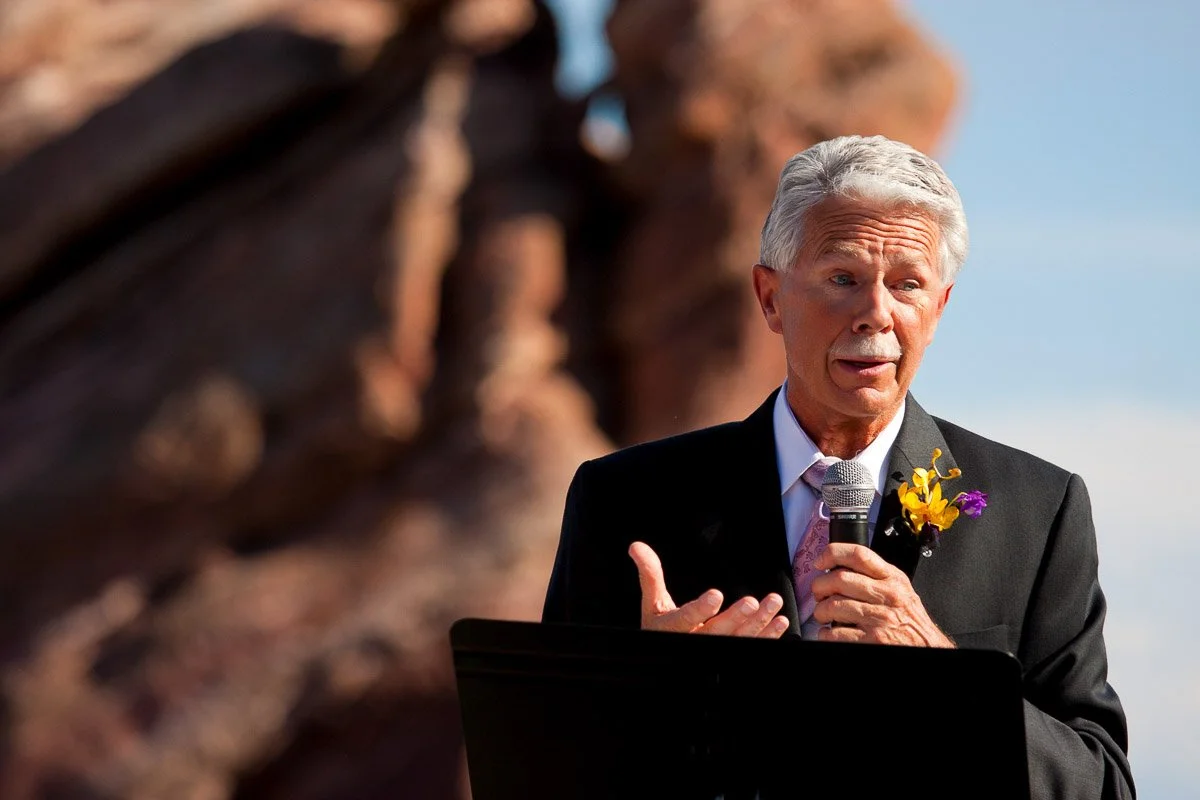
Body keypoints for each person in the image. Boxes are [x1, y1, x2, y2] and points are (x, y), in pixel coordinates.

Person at [542, 134, 1134, 798]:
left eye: (907, 284)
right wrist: (651, 691)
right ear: (769, 298)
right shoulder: (626, 501)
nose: (876, 314)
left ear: (938, 310)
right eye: (843, 278)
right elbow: (534, 768)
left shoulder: (1037, 511)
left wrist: (943, 673)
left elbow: (1101, 785)